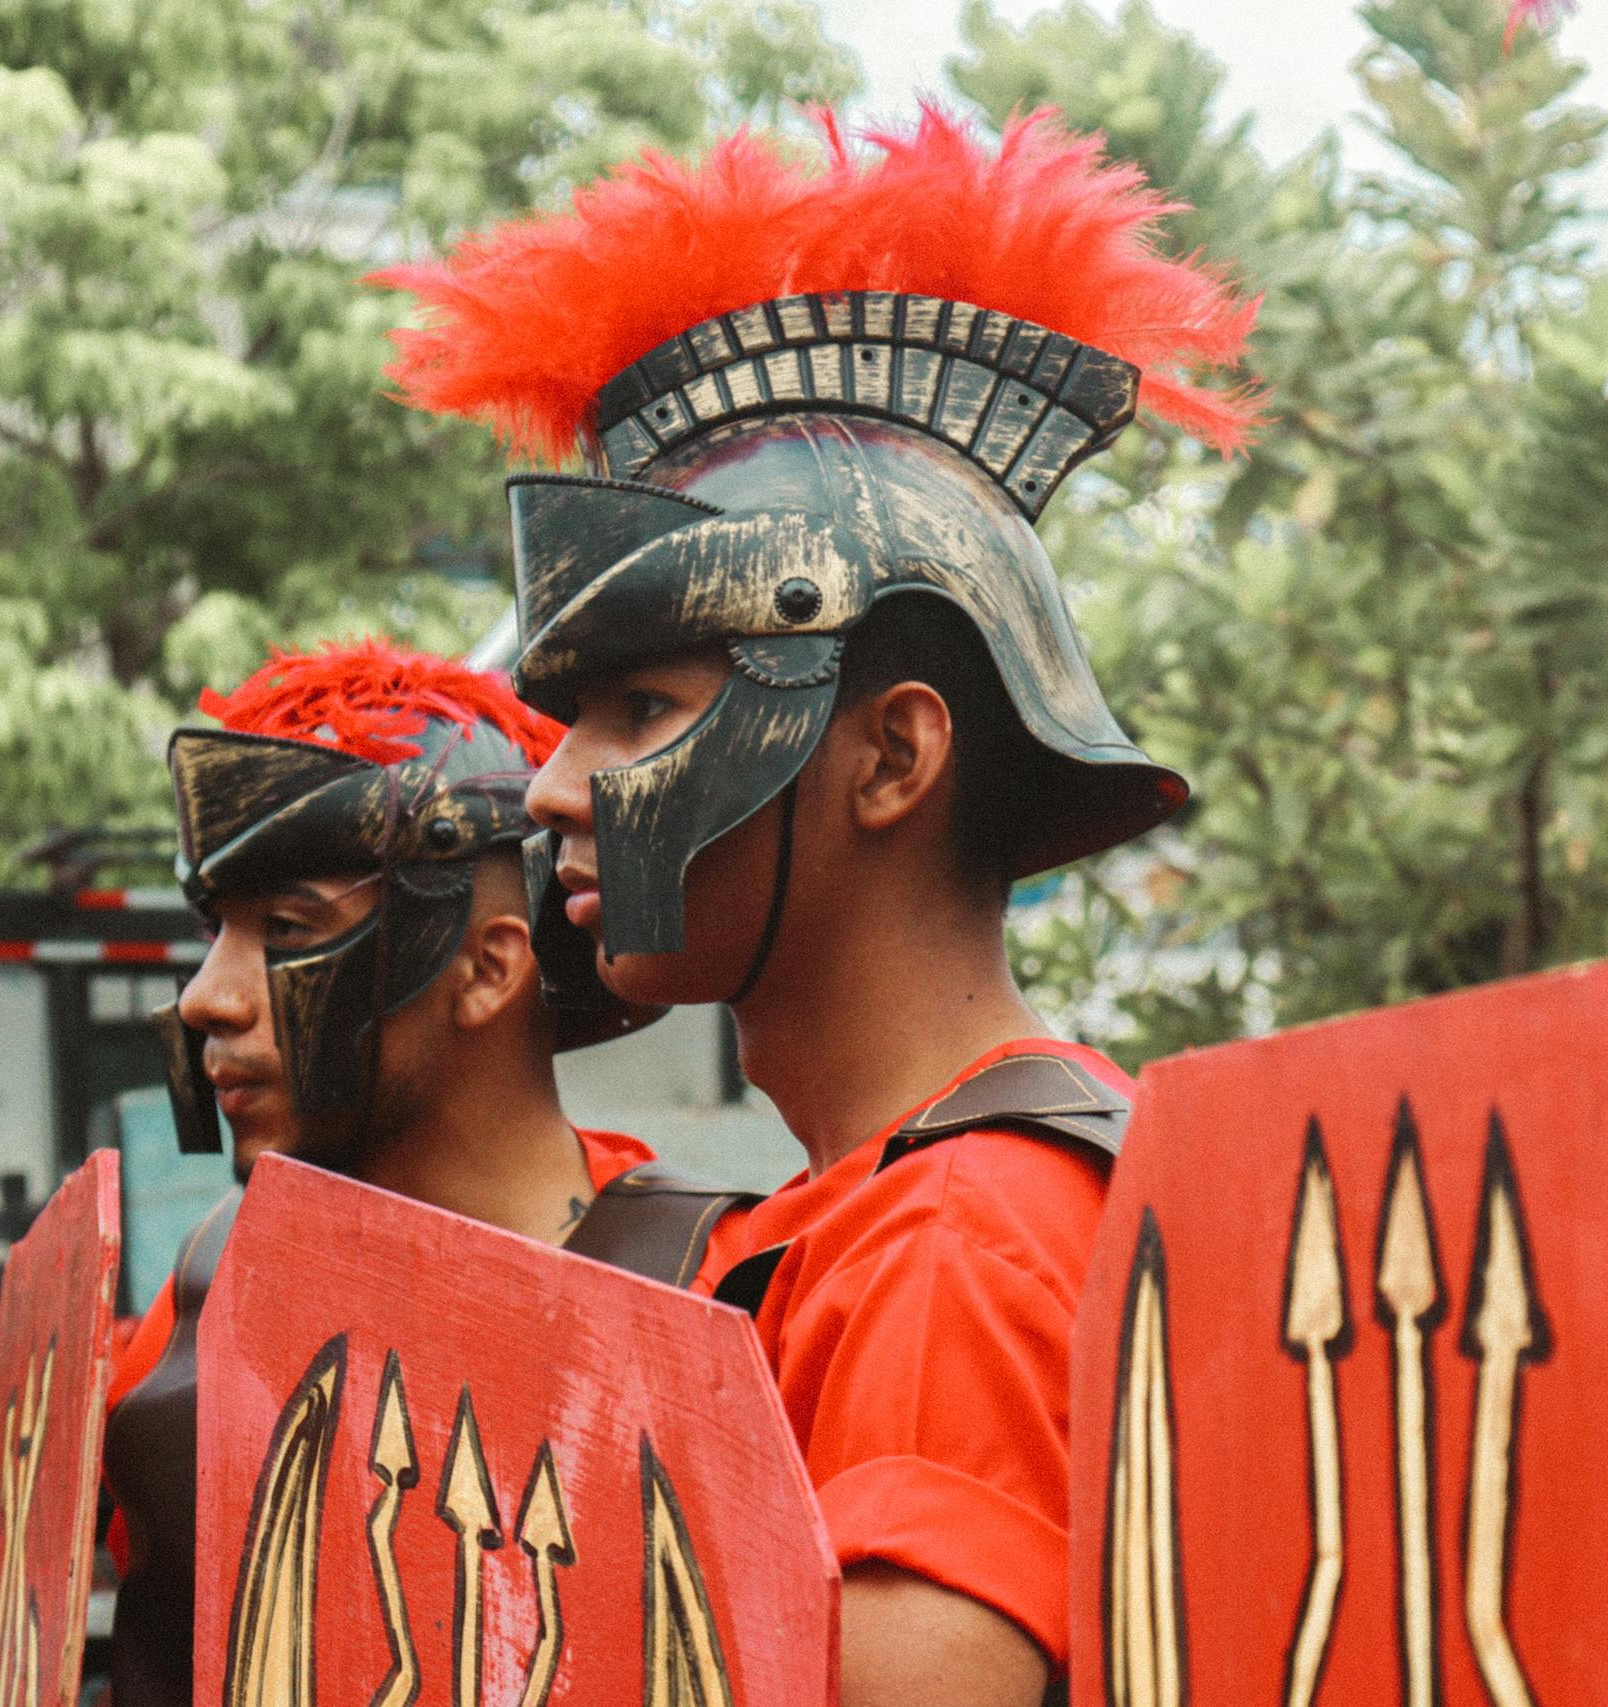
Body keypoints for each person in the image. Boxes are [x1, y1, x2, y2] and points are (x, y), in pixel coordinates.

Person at [375, 106, 1256, 1706]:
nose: (555, 787)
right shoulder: (907, 1204)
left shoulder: (957, 1237)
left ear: (893, 752)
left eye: (640, 705)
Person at [103, 641, 749, 1706]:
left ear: (489, 965)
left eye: (288, 929)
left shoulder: (723, 1296)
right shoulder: (195, 1315)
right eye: (215, 932)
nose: (205, 999)